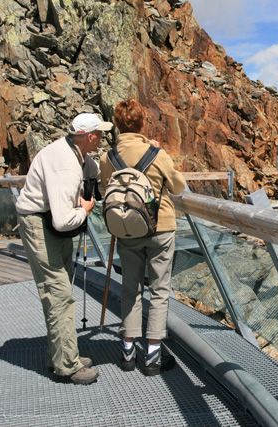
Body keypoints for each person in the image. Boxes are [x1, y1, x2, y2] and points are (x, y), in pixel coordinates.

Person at [16, 113, 113, 385]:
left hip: (49, 224)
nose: (103, 137)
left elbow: (95, 171)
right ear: (89, 136)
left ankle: (61, 354)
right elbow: (62, 219)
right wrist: (84, 210)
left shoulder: (77, 155)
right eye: (100, 133)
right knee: (57, 293)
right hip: (41, 224)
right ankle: (67, 366)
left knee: (61, 291)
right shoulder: (66, 166)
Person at [99, 99, 187, 376]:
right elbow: (179, 187)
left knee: (130, 289)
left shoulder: (107, 158)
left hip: (127, 230)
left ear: (118, 124)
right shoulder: (156, 154)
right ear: (141, 123)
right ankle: (152, 356)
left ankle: (127, 352)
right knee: (159, 291)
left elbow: (106, 189)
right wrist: (160, 154)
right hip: (160, 228)